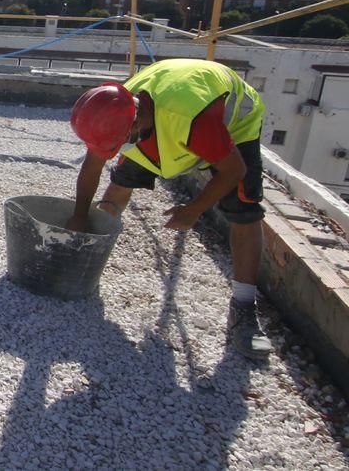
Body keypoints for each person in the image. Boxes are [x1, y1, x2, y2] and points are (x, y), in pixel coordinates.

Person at [66, 58, 270, 360]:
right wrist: (79, 217)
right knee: (122, 181)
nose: (113, 150)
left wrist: (194, 210)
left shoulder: (193, 121)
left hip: (232, 124)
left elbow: (233, 171)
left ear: (135, 124)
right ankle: (88, 258)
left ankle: (243, 309)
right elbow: (92, 166)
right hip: (170, 108)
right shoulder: (117, 105)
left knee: (243, 211)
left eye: (119, 142)